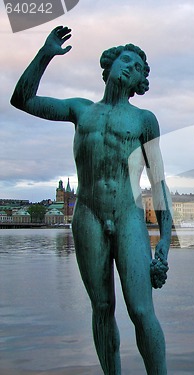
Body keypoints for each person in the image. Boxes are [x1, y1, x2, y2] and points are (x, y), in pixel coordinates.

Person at [11, 26, 172, 375]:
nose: (131, 68)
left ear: (139, 84)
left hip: (128, 215)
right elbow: (22, 100)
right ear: (111, 66)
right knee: (101, 308)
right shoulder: (81, 110)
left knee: (142, 311)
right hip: (87, 216)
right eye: (125, 61)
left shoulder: (144, 120)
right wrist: (45, 54)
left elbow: (159, 184)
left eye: (139, 69)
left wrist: (164, 244)